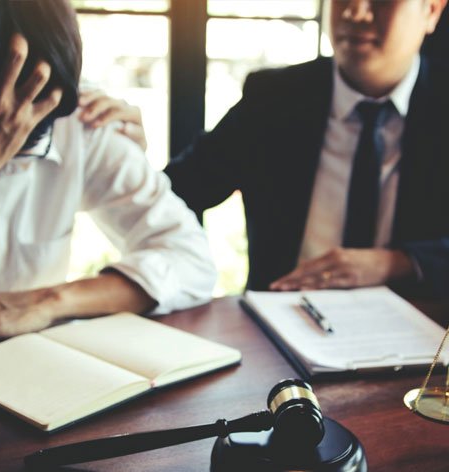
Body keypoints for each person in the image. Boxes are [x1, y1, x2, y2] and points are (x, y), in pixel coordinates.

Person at [0, 0, 216, 359]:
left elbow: (191, 260)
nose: (5, 129)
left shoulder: (78, 120)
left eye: (26, 138)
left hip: (25, 369)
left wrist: (46, 302)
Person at [79, 0, 449, 297]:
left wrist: (397, 263)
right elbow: (179, 194)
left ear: (431, 11)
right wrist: (129, 157)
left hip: (419, 333)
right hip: (283, 322)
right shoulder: (275, 98)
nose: (355, 11)